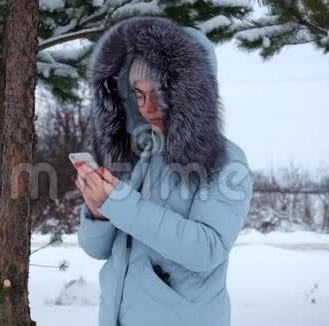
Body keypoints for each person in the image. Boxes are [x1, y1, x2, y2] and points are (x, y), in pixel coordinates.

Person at [74, 16, 254, 326]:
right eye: (139, 95)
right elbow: (97, 250)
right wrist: (99, 213)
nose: (147, 107)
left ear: (191, 92)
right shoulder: (140, 155)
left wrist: (120, 203)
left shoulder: (225, 160)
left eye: (158, 93)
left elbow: (207, 250)